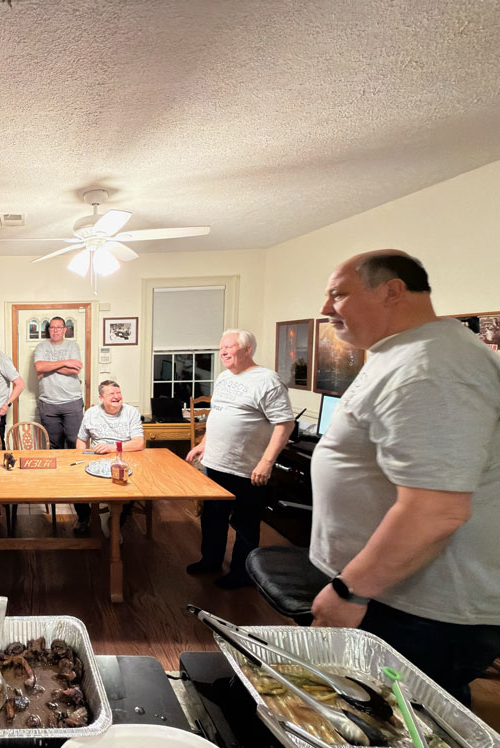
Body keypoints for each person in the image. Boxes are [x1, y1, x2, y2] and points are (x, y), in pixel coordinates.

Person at [308, 251, 500, 705]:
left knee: (400, 721)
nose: (326, 307)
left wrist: (349, 591)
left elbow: (435, 512)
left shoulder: (431, 368)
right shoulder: (406, 352)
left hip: (416, 611)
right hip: (393, 597)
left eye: (338, 294)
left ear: (391, 291)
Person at [185, 329, 294, 589]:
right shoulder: (224, 377)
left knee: (245, 522)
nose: (223, 351)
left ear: (247, 350)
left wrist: (266, 462)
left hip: (247, 468)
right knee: (213, 518)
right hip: (215, 463)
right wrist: (204, 443)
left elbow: (285, 424)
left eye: (229, 347)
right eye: (221, 347)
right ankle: (210, 560)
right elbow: (218, 415)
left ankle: (243, 573)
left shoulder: (267, 380)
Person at [74, 380, 144, 536]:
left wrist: (112, 448)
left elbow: (139, 443)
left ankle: (115, 524)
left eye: (119, 393)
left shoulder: (131, 412)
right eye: (112, 394)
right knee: (75, 481)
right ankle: (84, 517)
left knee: (133, 486)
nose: (117, 397)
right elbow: (81, 439)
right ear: (101, 398)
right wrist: (81, 458)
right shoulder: (91, 413)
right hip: (96, 458)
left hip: (125, 458)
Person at [33, 317, 84, 449]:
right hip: (48, 403)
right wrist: (66, 362)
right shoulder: (41, 347)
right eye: (52, 327)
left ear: (64, 330)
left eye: (59, 327)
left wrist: (48, 366)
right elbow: (39, 367)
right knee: (54, 444)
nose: (55, 330)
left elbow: (74, 370)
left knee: (74, 441)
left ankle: (74, 464)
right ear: (49, 329)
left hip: (72, 401)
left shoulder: (72, 346)